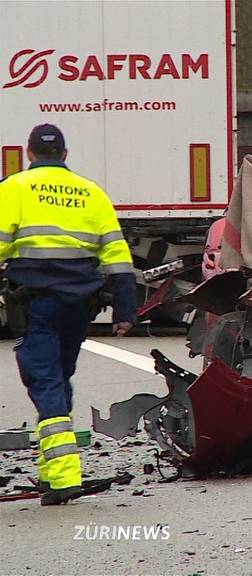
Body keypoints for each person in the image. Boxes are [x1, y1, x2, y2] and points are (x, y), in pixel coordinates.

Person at [0, 124, 136, 505]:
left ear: (29, 154)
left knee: (44, 381)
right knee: (59, 379)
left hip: (35, 302)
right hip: (80, 305)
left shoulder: (13, 189)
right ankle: (51, 471)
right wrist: (125, 310)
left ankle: (63, 478)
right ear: (64, 154)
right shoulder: (91, 192)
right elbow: (117, 256)